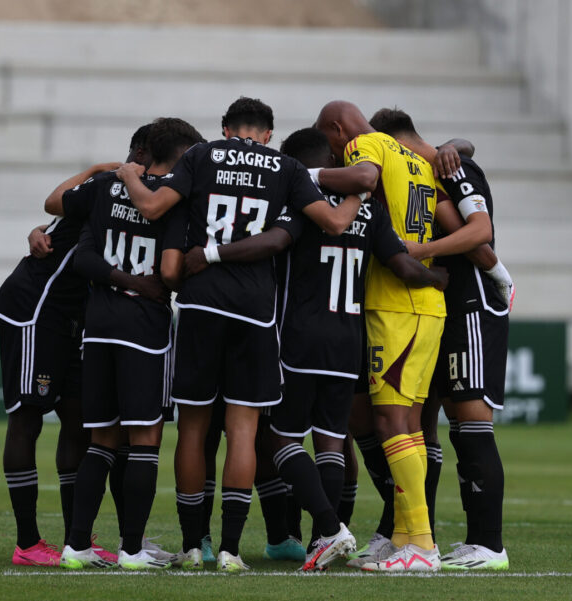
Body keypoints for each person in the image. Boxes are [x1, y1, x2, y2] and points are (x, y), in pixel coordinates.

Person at [184, 126, 448, 570]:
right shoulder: (369, 208)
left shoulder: (298, 206)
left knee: (280, 437)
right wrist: (437, 278)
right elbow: (403, 264)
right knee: (331, 440)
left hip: (298, 338)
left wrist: (213, 254)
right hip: (349, 342)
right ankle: (318, 544)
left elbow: (274, 242)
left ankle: (329, 527)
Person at [118, 97, 361, 572]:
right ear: (268, 134)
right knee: (243, 429)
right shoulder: (287, 166)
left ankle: (193, 546)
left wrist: (128, 173)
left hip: (200, 302)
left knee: (193, 428)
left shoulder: (202, 155)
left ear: (226, 129)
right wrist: (361, 192)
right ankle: (231, 549)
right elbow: (334, 222)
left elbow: (151, 207)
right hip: (254, 311)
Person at [313, 100, 483, 572]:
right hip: (425, 306)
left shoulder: (367, 144)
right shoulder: (418, 158)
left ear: (337, 128)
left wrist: (308, 176)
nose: (336, 154)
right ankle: (407, 537)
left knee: (391, 424)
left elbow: (364, 180)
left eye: (331, 144)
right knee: (406, 425)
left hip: (394, 303)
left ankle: (423, 545)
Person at [0, 127, 149, 567]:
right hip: (36, 309)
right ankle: (27, 543)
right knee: (27, 418)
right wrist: (99, 168)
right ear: (139, 157)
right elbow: (53, 205)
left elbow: (55, 219)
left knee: (80, 418)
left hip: (77, 319)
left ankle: (77, 539)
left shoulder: (142, 196)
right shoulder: (108, 187)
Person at [58, 118, 205, 570]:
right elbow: (168, 272)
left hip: (98, 325)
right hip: (144, 330)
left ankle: (76, 546)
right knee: (144, 440)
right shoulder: (175, 201)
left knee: (101, 440)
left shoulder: (106, 186)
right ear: (181, 156)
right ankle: (133, 550)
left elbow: (79, 248)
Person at [370, 107, 512, 571]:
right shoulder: (433, 166)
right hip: (434, 309)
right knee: (421, 425)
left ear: (396, 142)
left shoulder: (457, 168)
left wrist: (422, 251)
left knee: (470, 423)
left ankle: (488, 545)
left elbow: (481, 231)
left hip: (470, 304)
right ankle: (408, 535)